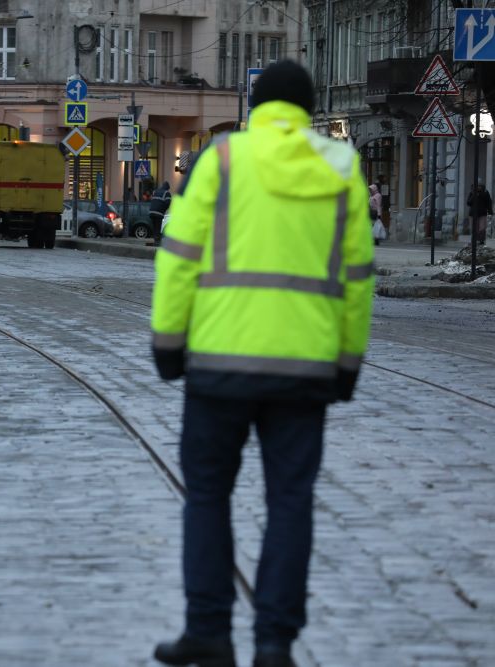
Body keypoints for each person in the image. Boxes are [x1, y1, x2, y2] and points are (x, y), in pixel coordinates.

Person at [150, 60, 374, 667]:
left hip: (219, 363)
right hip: (305, 367)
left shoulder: (222, 160)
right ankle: (275, 641)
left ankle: (208, 629)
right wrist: (347, 361)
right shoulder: (342, 167)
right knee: (291, 500)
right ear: (307, 109)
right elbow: (358, 276)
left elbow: (179, 255)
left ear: (256, 105)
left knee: (207, 495)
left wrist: (168, 342)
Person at [149, 181, 172, 246]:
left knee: (155, 227)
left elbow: (152, 201)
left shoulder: (156, 191)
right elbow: (167, 203)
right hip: (159, 213)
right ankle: (157, 242)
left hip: (151, 212)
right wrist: (163, 210)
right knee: (158, 227)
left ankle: (155, 241)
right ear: (167, 188)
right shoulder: (167, 193)